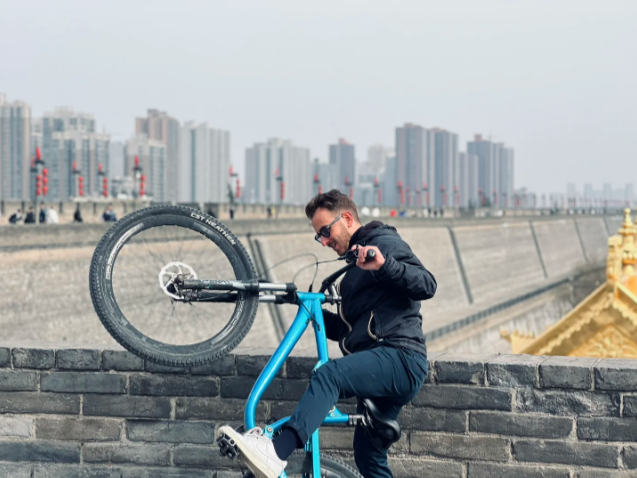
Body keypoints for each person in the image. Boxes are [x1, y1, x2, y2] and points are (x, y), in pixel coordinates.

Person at [218, 189, 436, 478]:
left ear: (346, 218)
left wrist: (385, 264)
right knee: (368, 458)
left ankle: (277, 452)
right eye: (318, 236)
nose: (324, 241)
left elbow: (427, 284)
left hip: (400, 356)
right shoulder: (353, 270)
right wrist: (305, 306)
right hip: (379, 361)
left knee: (329, 375)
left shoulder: (382, 241)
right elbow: (348, 329)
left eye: (325, 231)